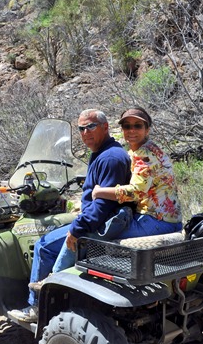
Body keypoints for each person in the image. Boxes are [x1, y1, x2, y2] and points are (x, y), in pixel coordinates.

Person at [8, 109, 132, 323]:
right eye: (81, 129)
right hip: (101, 219)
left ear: (105, 127)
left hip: (101, 224)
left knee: (44, 246)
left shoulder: (110, 158)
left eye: (91, 127)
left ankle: (35, 306)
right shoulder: (103, 152)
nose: (85, 133)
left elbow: (103, 206)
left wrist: (77, 229)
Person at [50, 106, 183, 273]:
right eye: (127, 126)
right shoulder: (146, 149)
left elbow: (135, 192)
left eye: (137, 126)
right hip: (165, 219)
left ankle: (54, 276)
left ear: (147, 129)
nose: (131, 130)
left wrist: (100, 192)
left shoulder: (145, 155)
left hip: (155, 221)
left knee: (86, 234)